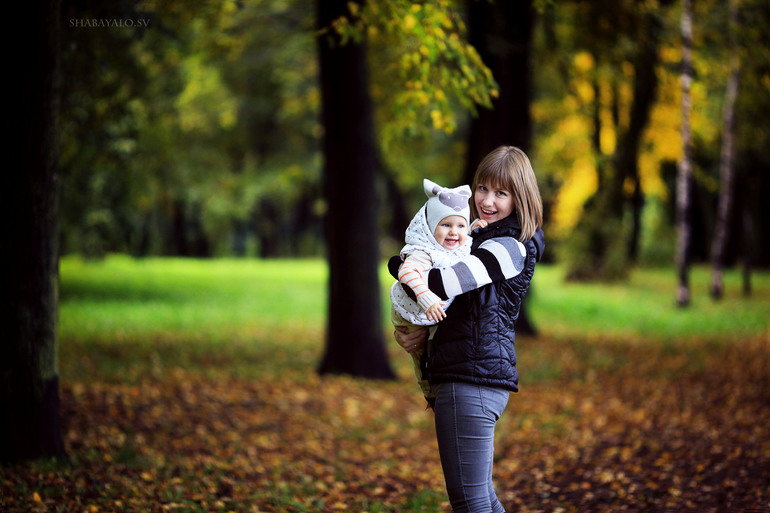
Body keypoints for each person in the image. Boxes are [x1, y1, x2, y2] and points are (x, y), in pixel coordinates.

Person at [392, 146, 545, 513]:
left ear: (520, 197)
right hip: (467, 373)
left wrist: (400, 267)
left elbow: (444, 284)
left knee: (470, 502)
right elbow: (449, 302)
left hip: (472, 379)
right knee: (482, 500)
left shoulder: (510, 246)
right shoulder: (479, 238)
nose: (487, 201)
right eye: (482, 188)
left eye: (501, 193)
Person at [390, 178, 473, 404]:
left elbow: (463, 245)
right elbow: (406, 273)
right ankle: (429, 395)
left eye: (461, 226)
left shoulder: (456, 246)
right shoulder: (424, 251)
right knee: (421, 358)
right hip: (412, 311)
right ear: (430, 227)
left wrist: (475, 228)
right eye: (445, 225)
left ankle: (433, 394)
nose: (454, 232)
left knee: (430, 351)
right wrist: (426, 298)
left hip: (432, 314)